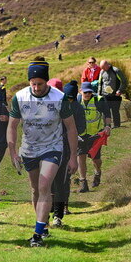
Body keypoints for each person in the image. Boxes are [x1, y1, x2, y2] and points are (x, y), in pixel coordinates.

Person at [7, 58, 79, 247]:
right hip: (29, 148)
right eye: (33, 84)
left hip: (52, 147)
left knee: (44, 186)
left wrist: (73, 156)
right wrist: (13, 152)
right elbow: (12, 126)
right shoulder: (20, 98)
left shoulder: (59, 98)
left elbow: (71, 128)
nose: (37, 88)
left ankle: (37, 235)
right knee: (35, 190)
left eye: (40, 84)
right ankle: (43, 224)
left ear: (46, 82)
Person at [52, 81, 86, 225]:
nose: (70, 101)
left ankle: (60, 210)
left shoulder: (78, 108)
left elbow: (81, 127)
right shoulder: (57, 105)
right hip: (52, 146)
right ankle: (53, 207)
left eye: (72, 98)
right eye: (68, 98)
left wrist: (70, 134)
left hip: (67, 147)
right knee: (52, 179)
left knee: (63, 179)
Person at [77, 81, 113, 191]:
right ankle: (83, 182)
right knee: (80, 157)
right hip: (81, 135)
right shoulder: (77, 100)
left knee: (95, 159)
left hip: (95, 135)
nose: (88, 94)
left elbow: (107, 113)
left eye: (89, 92)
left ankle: (97, 172)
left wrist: (107, 126)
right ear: (80, 91)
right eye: (85, 92)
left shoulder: (99, 100)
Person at [97, 60, 128, 128]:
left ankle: (116, 125)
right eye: (101, 68)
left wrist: (120, 90)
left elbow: (124, 81)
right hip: (105, 95)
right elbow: (100, 83)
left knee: (115, 111)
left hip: (115, 95)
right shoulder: (102, 72)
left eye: (103, 67)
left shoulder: (116, 71)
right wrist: (98, 94)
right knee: (106, 111)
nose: (103, 69)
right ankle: (107, 126)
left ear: (107, 65)